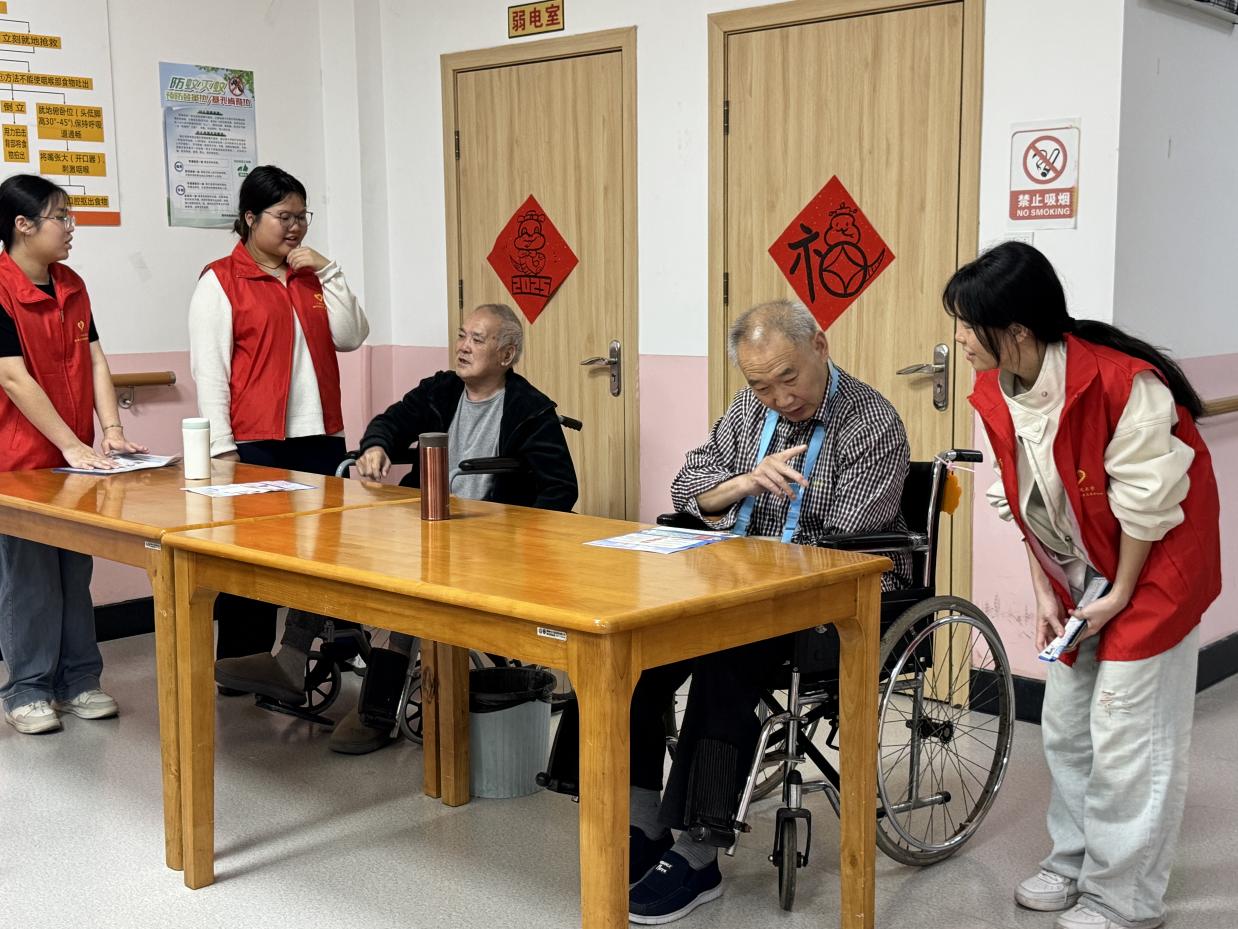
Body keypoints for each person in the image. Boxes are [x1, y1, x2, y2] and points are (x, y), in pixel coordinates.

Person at [551, 298, 910, 924]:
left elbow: (845, 541)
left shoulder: (872, 422)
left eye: (788, 378)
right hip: (731, 584)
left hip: (822, 603)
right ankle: (642, 825)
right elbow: (690, 486)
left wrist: (753, 549)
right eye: (762, 385)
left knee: (726, 662)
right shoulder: (748, 410)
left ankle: (699, 852)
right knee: (628, 652)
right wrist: (743, 482)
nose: (779, 398)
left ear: (820, 347)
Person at [945, 242, 1221, 929]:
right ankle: (1072, 861)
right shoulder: (998, 388)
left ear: (1016, 331)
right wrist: (1046, 590)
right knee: (1067, 727)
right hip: (1078, 567)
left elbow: (1145, 507)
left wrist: (1120, 594)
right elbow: (1020, 498)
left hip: (1153, 568)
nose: (958, 339)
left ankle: (1123, 897)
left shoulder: (1123, 383)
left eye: (968, 326)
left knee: (1130, 735)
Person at [213, 302, 578, 753]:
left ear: (507, 355)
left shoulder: (530, 410)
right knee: (331, 545)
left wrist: (518, 538)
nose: (463, 347)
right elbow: (393, 421)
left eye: (477, 340)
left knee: (412, 586)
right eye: (462, 335)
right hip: (424, 522)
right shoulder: (442, 389)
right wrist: (376, 447)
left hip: (484, 541)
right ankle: (290, 661)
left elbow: (561, 488)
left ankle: (378, 708)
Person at [189, 165, 369, 665]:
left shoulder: (312, 276)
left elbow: (351, 336)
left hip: (321, 435)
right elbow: (210, 370)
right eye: (283, 216)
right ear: (250, 217)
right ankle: (240, 662)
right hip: (256, 441)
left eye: (302, 216)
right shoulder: (221, 280)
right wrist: (221, 448)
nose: (295, 227)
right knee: (254, 560)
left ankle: (335, 651)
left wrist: (330, 271)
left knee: (327, 552)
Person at [0, 174, 147, 734]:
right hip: (19, 460)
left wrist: (111, 430)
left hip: (76, 457)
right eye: (60, 217)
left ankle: (80, 681)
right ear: (23, 225)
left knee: (74, 570)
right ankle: (28, 689)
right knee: (30, 579)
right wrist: (70, 444)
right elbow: (12, 378)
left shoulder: (72, 284)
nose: (70, 228)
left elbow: (95, 359)